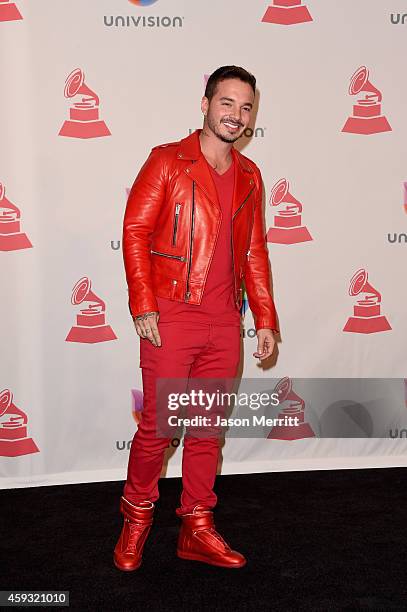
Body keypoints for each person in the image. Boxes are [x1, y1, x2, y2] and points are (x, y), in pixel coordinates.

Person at [114, 65, 279, 571]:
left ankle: (197, 527)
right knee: (160, 428)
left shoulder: (250, 175)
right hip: (171, 316)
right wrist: (142, 303)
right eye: (227, 103)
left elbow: (254, 251)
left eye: (245, 107)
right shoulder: (168, 161)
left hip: (225, 322)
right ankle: (136, 519)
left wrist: (266, 318)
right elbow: (136, 230)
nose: (236, 115)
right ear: (205, 104)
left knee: (208, 430)